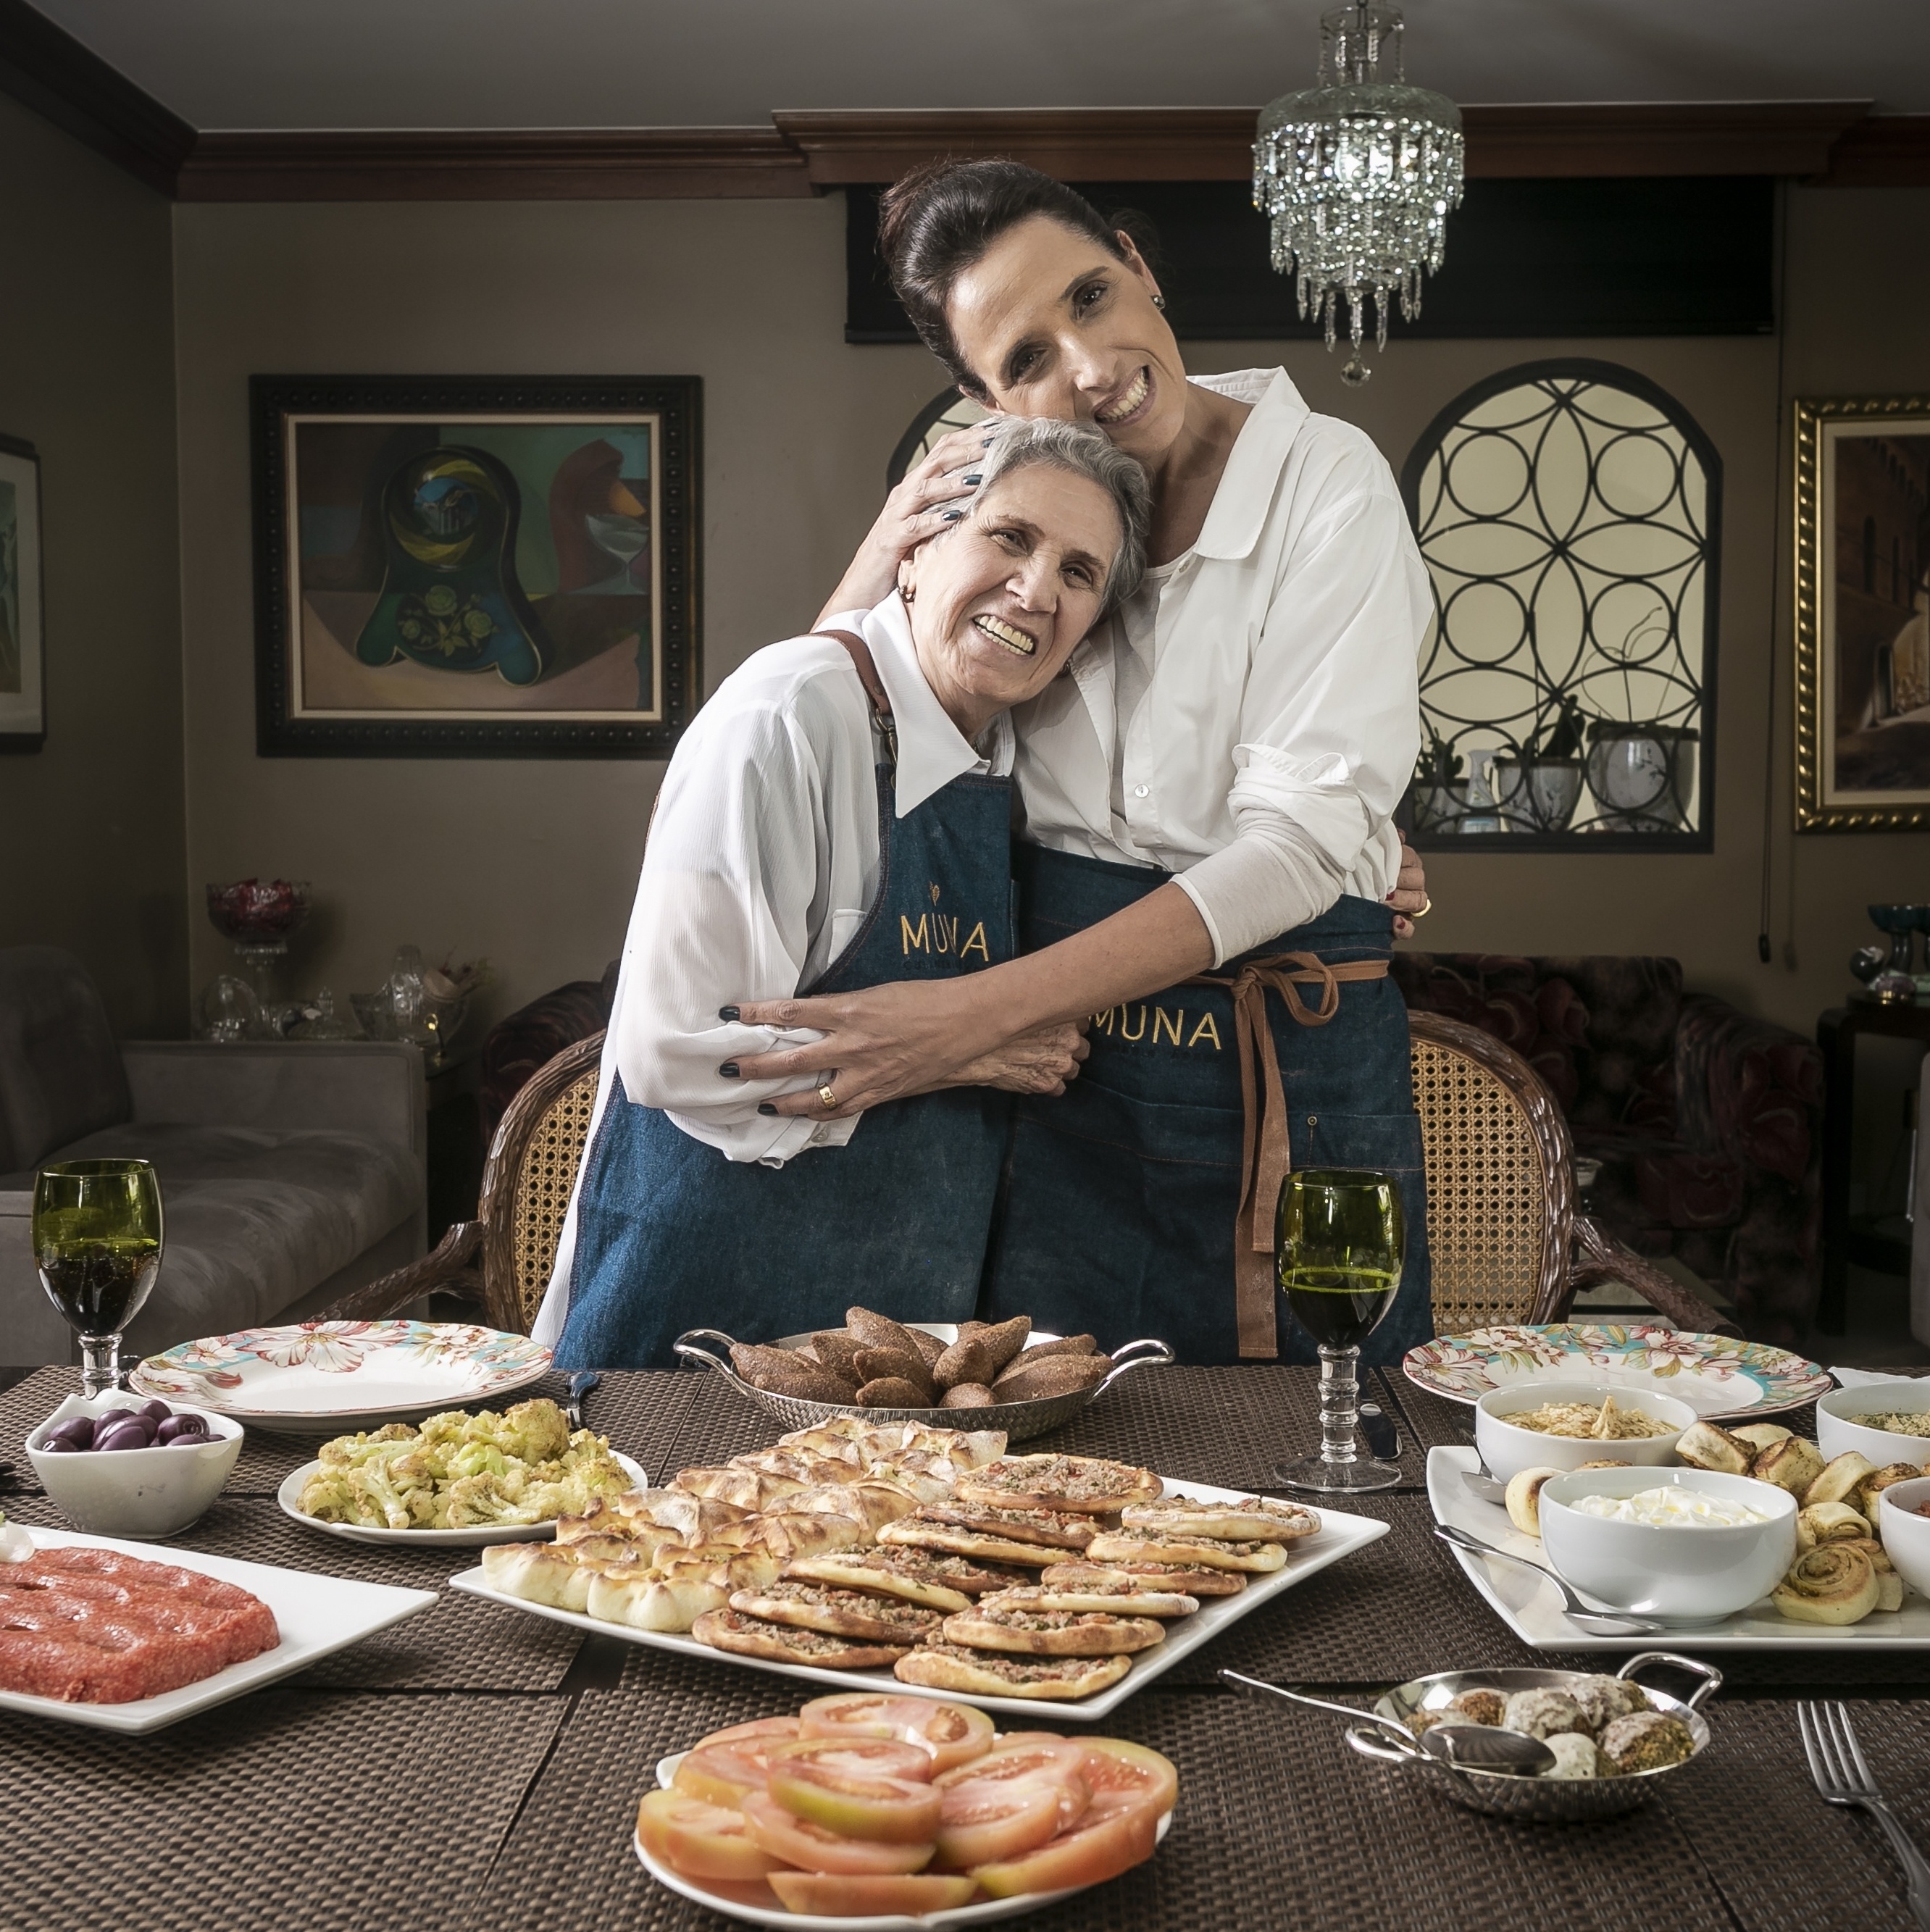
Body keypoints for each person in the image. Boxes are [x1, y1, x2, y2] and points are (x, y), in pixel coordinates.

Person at [723, 160, 1435, 1367]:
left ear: (1139, 262)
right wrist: (872, 560)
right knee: (1038, 1468)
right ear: (982, 402)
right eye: (1027, 360)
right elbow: (839, 723)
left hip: (1271, 1057)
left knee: (1318, 1462)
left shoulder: (1330, 485)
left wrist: (958, 1020)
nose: (1091, 369)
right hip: (1047, 1085)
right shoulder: (992, 489)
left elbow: (1301, 846)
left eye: (1094, 297)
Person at [537, 419, 1150, 1368]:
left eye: (1079, 573)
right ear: (911, 557)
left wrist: (1366, 858)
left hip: (891, 1353)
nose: (1037, 591)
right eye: (1011, 537)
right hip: (693, 1331)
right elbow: (673, 1056)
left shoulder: (1003, 747)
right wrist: (968, 1048)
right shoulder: (786, 716)